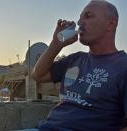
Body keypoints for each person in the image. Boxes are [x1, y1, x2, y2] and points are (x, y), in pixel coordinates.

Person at [15, 0, 127, 131]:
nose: (79, 22)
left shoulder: (123, 65)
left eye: (88, 16)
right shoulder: (75, 59)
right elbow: (37, 75)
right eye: (80, 18)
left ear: (111, 23)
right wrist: (56, 43)